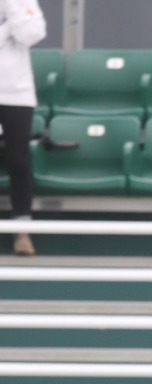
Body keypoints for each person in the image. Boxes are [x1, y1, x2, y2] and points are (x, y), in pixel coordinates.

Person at [0, 2, 45, 256]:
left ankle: (22, 230)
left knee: (18, 160)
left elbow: (32, 34)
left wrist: (11, 8)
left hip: (17, 94)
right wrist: (7, 30)